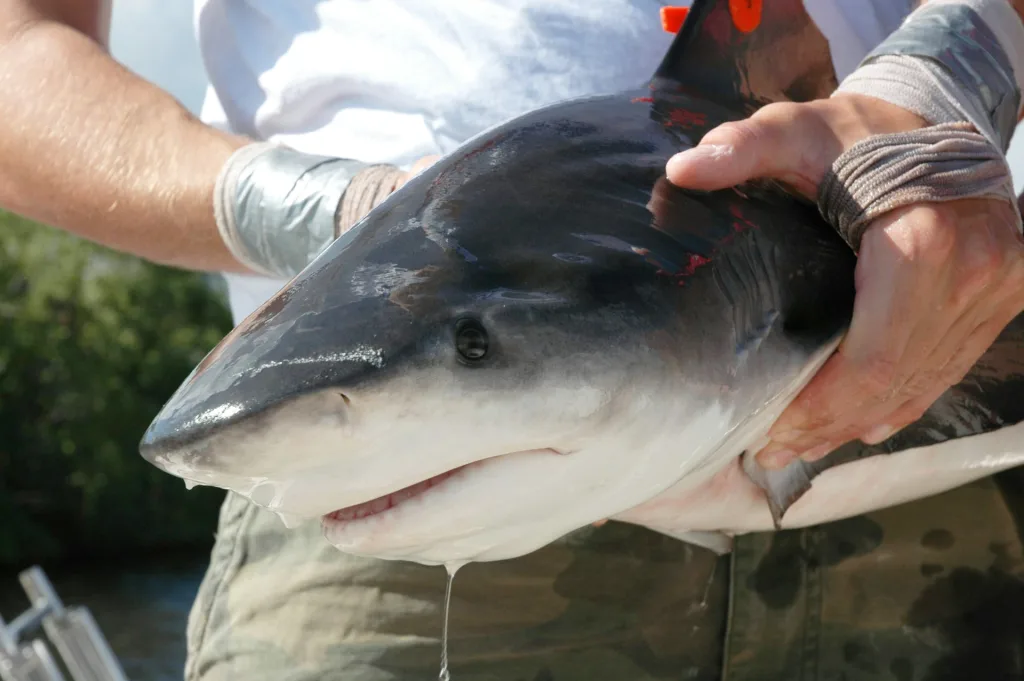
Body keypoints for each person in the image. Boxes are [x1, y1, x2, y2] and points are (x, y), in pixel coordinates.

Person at [0, 1, 1021, 680]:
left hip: (933, 376)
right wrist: (311, 212)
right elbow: (16, 57)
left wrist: (950, 69)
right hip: (380, 511)